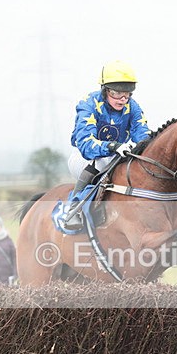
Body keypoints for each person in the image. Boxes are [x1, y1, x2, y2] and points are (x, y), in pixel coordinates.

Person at [64, 60, 152, 229]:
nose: (123, 99)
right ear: (105, 90)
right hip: (84, 157)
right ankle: (73, 210)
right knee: (100, 162)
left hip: (116, 155)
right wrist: (112, 146)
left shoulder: (132, 106)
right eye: (117, 93)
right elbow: (86, 144)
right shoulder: (88, 104)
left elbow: (143, 134)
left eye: (127, 93)